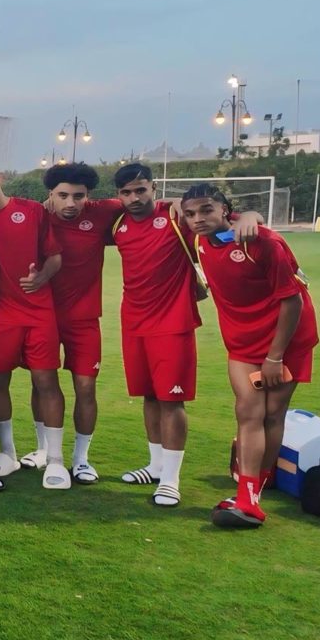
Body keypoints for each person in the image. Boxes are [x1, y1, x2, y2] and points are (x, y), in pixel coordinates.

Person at [180, 184, 318, 527]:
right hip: (242, 342)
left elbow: (293, 301)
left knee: (272, 414)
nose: (198, 219)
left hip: (287, 340)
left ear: (225, 210)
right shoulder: (199, 240)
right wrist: (250, 214)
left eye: (206, 210)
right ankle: (248, 497)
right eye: (190, 214)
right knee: (248, 411)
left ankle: (258, 482)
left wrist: (275, 357)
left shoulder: (264, 243)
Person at [0, 159, 68, 488]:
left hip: (37, 311)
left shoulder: (31, 211)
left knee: (45, 381)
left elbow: (55, 256)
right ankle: (7, 452)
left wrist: (42, 277)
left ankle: (55, 459)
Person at [108, 164, 202, 507]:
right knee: (149, 395)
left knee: (171, 400)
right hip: (133, 322)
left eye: (141, 190)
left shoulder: (176, 217)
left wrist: (249, 215)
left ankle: (171, 480)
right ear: (118, 195)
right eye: (127, 192)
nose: (134, 198)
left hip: (172, 323)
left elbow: (221, 219)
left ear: (154, 188)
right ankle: (156, 465)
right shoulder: (117, 224)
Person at [40, 163, 120, 483]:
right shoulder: (37, 215)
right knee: (43, 384)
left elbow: (159, 206)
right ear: (51, 194)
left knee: (86, 388)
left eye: (78, 196)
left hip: (84, 319)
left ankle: (81, 459)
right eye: (63, 196)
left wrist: (243, 216)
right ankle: (45, 451)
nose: (71, 203)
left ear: (89, 196)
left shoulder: (102, 212)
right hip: (44, 317)